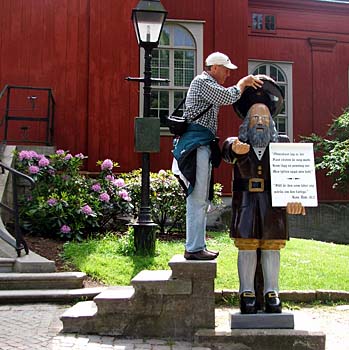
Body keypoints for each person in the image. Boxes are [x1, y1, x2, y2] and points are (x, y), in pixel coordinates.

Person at [222, 78, 305, 314]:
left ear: (271, 122)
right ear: (247, 122)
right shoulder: (236, 143)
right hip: (246, 203)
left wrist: (296, 195)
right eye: (255, 118)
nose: (260, 122)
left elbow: (294, 173)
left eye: (264, 118)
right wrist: (233, 149)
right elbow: (226, 151)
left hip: (272, 204)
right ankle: (246, 291)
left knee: (271, 246)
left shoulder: (283, 145)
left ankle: (272, 291)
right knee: (247, 246)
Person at [172, 51, 266, 261]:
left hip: (200, 145)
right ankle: (194, 248)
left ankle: (197, 246)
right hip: (195, 146)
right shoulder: (203, 82)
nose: (228, 74)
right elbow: (228, 96)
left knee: (201, 198)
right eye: (225, 70)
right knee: (198, 198)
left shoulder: (206, 83)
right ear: (214, 68)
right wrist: (243, 83)